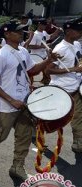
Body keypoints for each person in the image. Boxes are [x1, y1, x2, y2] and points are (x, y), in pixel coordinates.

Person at [0, 21, 57, 179]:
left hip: (25, 102)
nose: (21, 33)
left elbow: (31, 70)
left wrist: (48, 60)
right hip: (7, 105)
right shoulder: (1, 55)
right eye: (17, 31)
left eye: (22, 31)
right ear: (7, 34)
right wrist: (11, 101)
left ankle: (17, 167)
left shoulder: (23, 51)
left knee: (24, 136)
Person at [46, 17, 82, 153]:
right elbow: (48, 70)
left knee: (78, 118)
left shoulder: (77, 45)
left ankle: (78, 142)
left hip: (76, 88)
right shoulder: (60, 48)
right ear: (68, 31)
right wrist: (73, 70)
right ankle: (37, 135)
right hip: (61, 90)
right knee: (53, 119)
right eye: (78, 30)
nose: (80, 33)